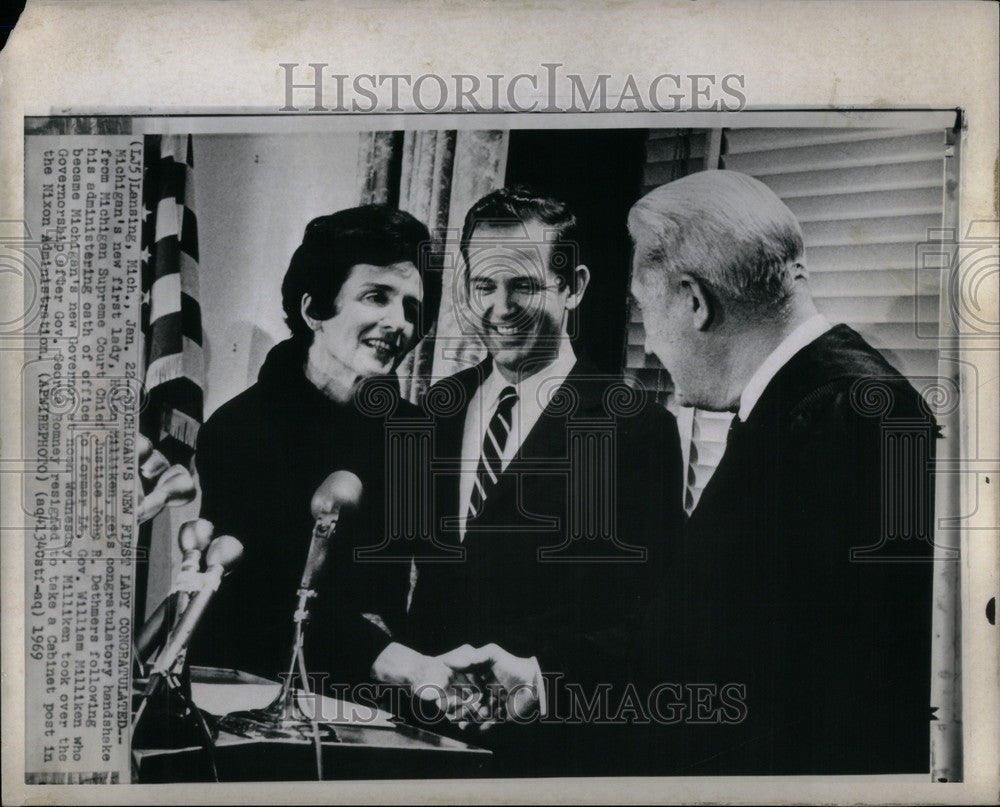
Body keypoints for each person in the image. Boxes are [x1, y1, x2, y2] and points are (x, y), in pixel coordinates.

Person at [626, 170, 936, 775]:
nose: (650, 348)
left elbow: (825, 696)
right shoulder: (816, 402)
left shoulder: (844, 416)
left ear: (694, 302)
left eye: (644, 311)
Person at [372, 187, 684, 774]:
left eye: (524, 285)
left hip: (552, 755)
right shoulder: (435, 412)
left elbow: (655, 625)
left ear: (575, 287)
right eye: (484, 286)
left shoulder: (637, 429)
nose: (499, 306)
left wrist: (542, 681)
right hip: (417, 742)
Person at [190, 205, 430, 690]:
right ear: (314, 309)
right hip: (250, 688)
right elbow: (257, 593)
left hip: (378, 699)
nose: (398, 323)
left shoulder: (415, 434)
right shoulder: (237, 428)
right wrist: (385, 655)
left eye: (409, 307)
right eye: (377, 297)